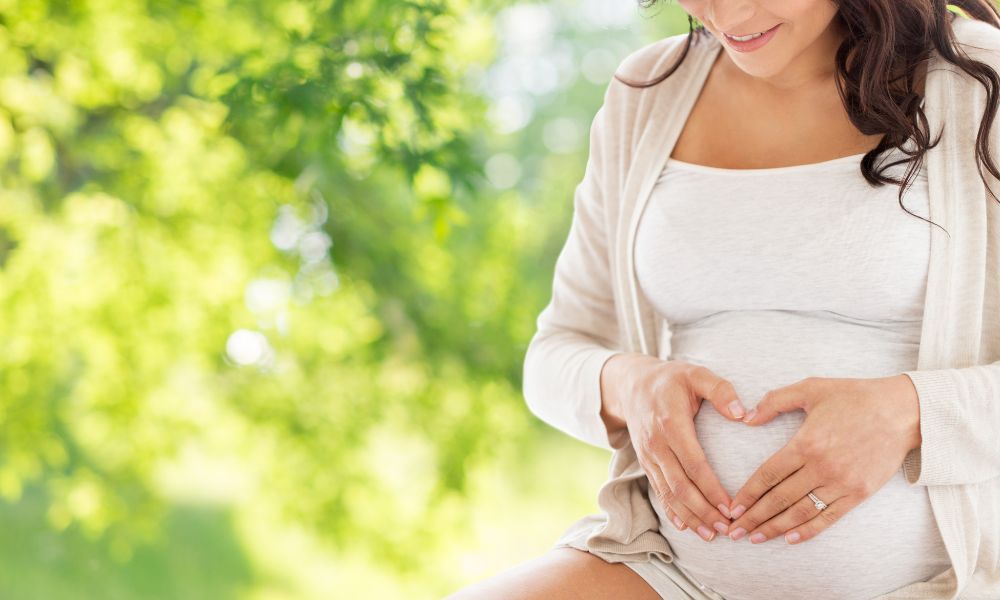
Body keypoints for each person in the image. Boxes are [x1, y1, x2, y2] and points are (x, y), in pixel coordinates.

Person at [447, 1, 1000, 599]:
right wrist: (630, 385)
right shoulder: (647, 94)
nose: (727, 10)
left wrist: (910, 412)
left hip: (937, 582)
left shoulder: (978, 78)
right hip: (669, 574)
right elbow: (553, 355)